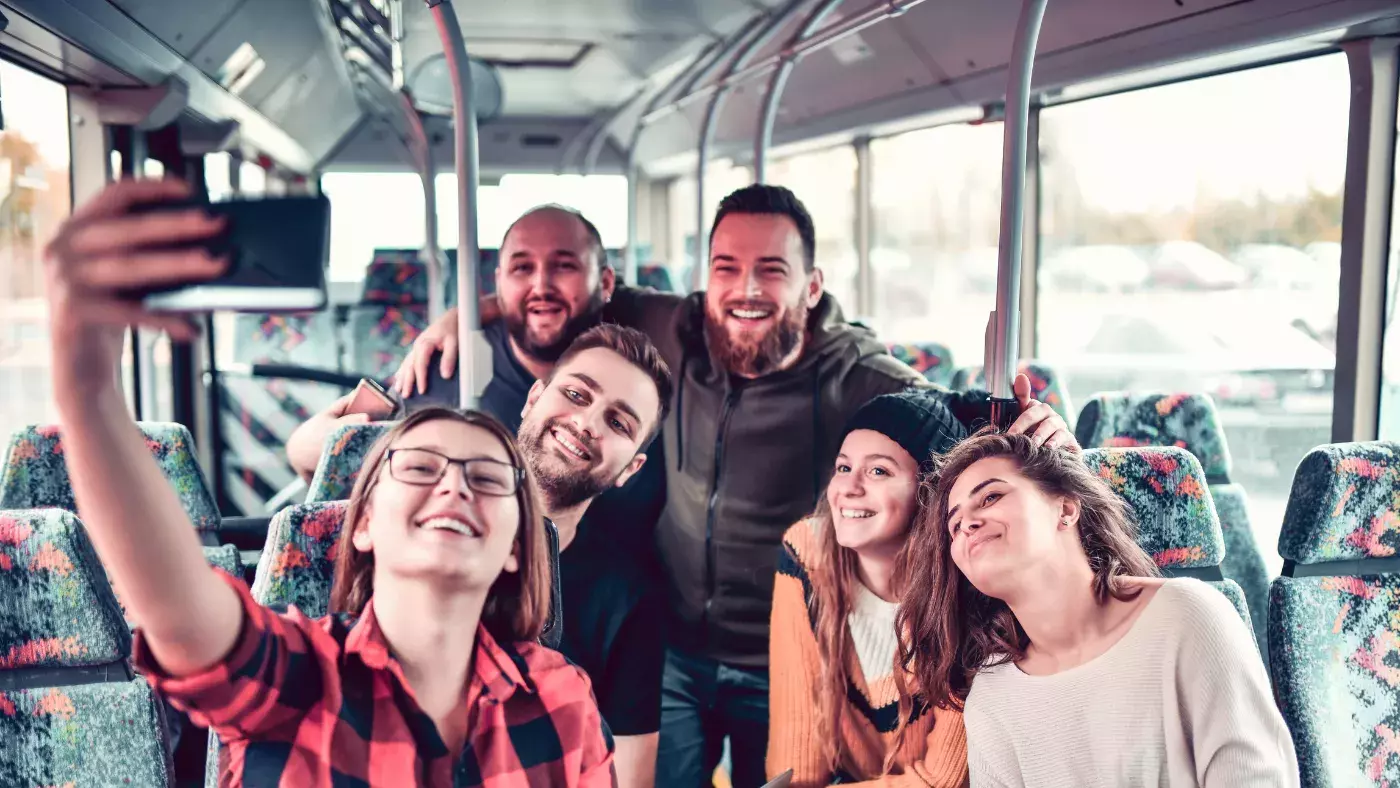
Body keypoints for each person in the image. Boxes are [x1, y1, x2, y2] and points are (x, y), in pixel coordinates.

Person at [396, 183, 1077, 787]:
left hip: (785, 654)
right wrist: (464, 314)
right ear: (705, 281)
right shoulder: (675, 325)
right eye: (727, 268)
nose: (745, 289)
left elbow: (943, 417)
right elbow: (555, 291)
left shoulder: (853, 370)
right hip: (672, 645)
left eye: (770, 271)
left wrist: (1037, 433)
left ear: (811, 289)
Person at [42, 178, 616, 787]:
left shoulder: (561, 704)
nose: (454, 486)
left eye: (487, 477)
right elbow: (177, 610)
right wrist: (88, 391)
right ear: (362, 522)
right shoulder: (296, 678)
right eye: (420, 467)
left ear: (514, 546)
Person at [897, 431, 1299, 787]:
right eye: (954, 524)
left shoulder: (1187, 617)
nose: (968, 523)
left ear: (1066, 509)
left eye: (991, 496)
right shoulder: (994, 695)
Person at [514, 323, 674, 788]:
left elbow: (630, 776)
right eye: (577, 395)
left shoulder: (631, 600)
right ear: (533, 400)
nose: (586, 424)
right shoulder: (425, 526)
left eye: (618, 423)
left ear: (630, 469)